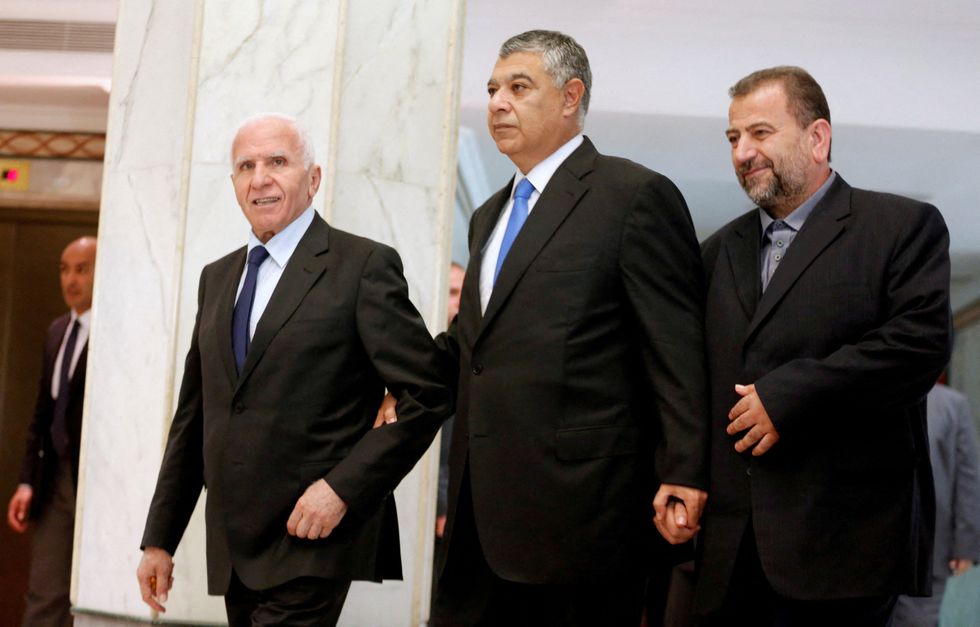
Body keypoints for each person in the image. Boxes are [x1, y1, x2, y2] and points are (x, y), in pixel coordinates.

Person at [428, 30, 709, 625]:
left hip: (583, 516)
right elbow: (475, 347)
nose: (497, 102)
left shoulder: (633, 196)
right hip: (480, 515)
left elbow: (675, 350)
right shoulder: (487, 217)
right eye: (492, 89)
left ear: (569, 96)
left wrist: (684, 468)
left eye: (518, 87)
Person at [135, 113, 452, 626]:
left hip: (316, 536)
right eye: (246, 166)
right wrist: (159, 539)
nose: (260, 178)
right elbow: (196, 416)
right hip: (237, 546)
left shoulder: (362, 266)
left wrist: (344, 488)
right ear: (235, 183)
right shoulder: (216, 279)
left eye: (277, 162)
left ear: (313, 178)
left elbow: (429, 391)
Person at [697, 66, 952, 625]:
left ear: (818, 137)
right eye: (733, 138)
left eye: (760, 133)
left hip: (844, 551)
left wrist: (788, 394)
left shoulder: (901, 226)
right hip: (727, 559)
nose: (743, 152)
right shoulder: (716, 252)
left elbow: (918, 346)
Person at [7, 235, 97, 627]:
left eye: (81, 269)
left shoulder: (115, 330)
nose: (70, 279)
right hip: (53, 478)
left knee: (92, 596)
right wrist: (27, 481)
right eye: (64, 269)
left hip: (96, 485)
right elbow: (41, 415)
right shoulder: (57, 331)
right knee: (45, 593)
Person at [892, 382, 980, 626]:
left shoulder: (952, 404)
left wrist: (966, 543)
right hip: (871, 546)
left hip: (927, 541)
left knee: (917, 618)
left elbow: (967, 475)